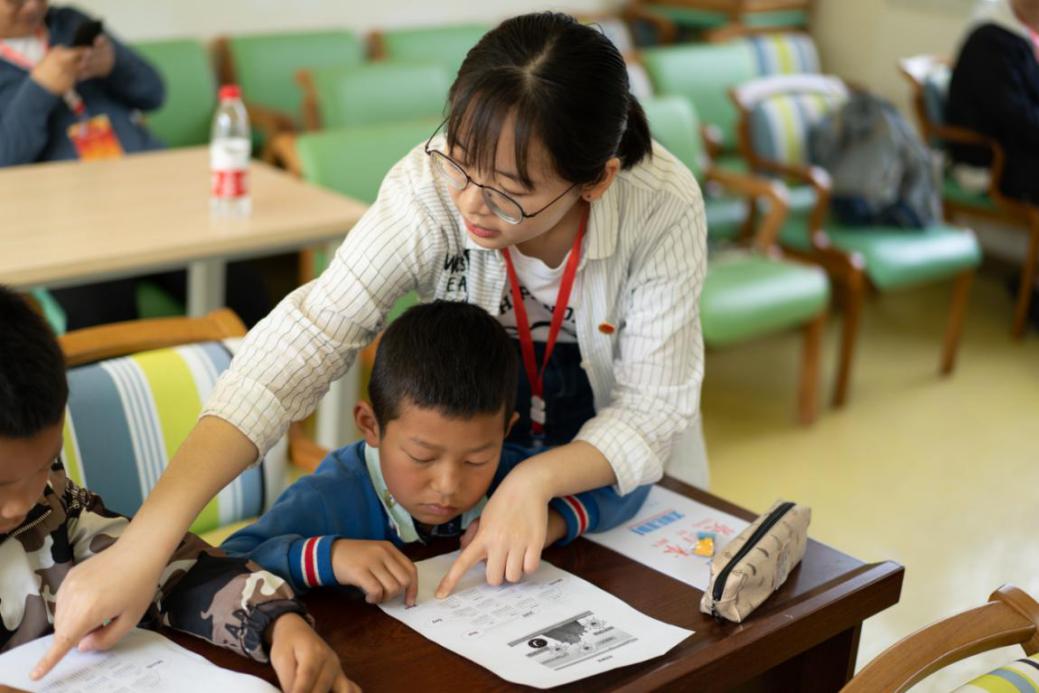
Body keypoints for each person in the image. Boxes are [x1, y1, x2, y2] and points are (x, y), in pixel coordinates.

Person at [36, 11, 708, 677]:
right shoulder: (426, 192)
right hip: (479, 464)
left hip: (587, 480)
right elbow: (302, 343)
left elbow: (650, 409)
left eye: (509, 194)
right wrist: (145, 546)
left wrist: (537, 479)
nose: (471, 205)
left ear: (595, 181)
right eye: (459, 162)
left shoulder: (658, 203)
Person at [0, 285, 357, 693]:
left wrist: (275, 621)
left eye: (45, 464)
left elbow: (168, 568)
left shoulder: (59, 506)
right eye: (2, 483)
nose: (22, 502)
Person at [222, 301, 648, 603]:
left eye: (476, 460)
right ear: (371, 425)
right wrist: (329, 557)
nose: (448, 486)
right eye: (422, 458)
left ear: (505, 432)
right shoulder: (330, 496)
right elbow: (229, 562)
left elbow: (632, 481)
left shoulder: (510, 474)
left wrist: (549, 521)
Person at [0, 1, 270, 329]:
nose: (33, 6)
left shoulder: (69, 22)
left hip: (150, 196)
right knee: (103, 316)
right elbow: (7, 158)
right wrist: (40, 89)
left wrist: (113, 64)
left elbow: (155, 92)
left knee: (242, 289)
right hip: (67, 221)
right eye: (15, 1)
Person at [946, 0, 1039, 203]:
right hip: (994, 161)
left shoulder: (1018, 40)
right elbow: (1016, 119)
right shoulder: (991, 43)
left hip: (1017, 151)